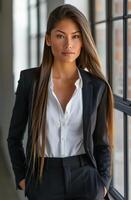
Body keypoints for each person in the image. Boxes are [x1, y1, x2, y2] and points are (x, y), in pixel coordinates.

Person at [7, 4, 114, 200]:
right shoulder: (31, 81)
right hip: (43, 178)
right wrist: (22, 177)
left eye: (76, 36)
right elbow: (14, 137)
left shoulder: (96, 86)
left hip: (86, 178)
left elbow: (102, 144)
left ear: (83, 41)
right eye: (60, 36)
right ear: (48, 39)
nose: (68, 45)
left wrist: (103, 183)